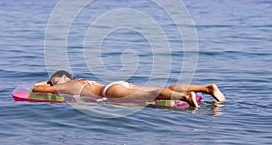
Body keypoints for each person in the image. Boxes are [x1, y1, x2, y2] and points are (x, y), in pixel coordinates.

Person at [33, 70, 226, 108]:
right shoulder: (82, 80)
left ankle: (185, 96)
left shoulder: (65, 86)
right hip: (117, 85)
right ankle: (207, 88)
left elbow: (37, 89)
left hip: (110, 93)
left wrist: (46, 83)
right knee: (158, 90)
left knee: (151, 95)